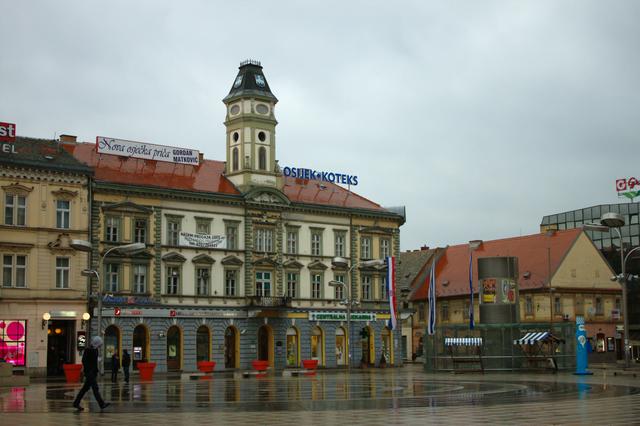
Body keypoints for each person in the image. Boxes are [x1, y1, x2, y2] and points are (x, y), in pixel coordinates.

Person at [73, 336, 110, 411]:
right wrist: (88, 371)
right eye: (99, 344)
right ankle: (101, 404)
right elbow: (84, 361)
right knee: (95, 388)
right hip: (89, 373)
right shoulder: (88, 350)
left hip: (93, 372)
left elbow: (94, 361)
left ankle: (76, 403)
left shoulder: (95, 350)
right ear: (96, 343)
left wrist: (97, 362)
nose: (100, 346)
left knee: (84, 389)